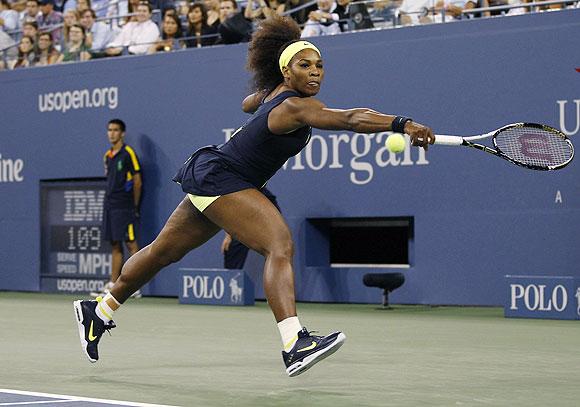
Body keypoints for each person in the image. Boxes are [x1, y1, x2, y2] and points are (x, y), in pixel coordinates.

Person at [73, 15, 433, 377]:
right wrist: (403, 123)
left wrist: (267, 95)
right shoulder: (295, 106)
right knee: (279, 245)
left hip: (213, 172)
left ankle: (99, 310)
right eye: (304, 65)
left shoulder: (277, 95)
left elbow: (248, 103)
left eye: (319, 66)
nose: (315, 72)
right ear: (286, 71)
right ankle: (295, 343)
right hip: (225, 177)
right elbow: (353, 118)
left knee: (163, 251)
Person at [89, 119, 143, 298]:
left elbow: (137, 181)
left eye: (116, 130)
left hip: (125, 206)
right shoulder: (108, 156)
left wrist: (134, 206)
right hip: (110, 206)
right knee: (115, 244)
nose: (112, 133)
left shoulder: (128, 153)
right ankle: (113, 283)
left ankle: (135, 287)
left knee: (131, 245)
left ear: (122, 133)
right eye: (109, 130)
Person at [221, 187, 280, 269]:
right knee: (234, 243)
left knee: (278, 248)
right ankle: (233, 278)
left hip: (265, 204)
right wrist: (228, 235)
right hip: (244, 202)